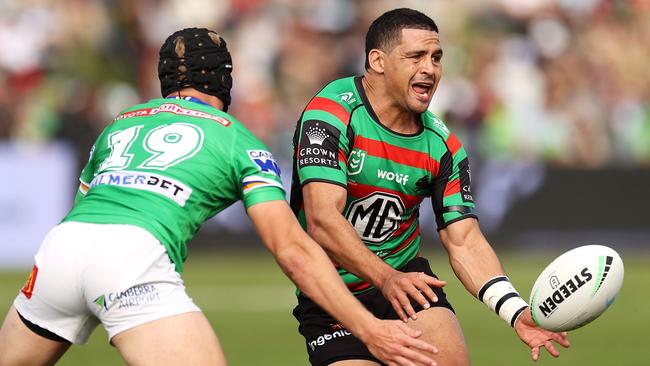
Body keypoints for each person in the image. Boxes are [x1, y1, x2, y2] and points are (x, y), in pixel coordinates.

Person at [0, 27, 440, 366]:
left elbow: (85, 204)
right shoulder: (237, 140)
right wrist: (368, 327)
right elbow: (293, 249)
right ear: (224, 79)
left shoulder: (122, 122)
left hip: (61, 248)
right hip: (131, 258)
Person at [289, 8, 571, 366]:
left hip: (406, 280)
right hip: (332, 293)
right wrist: (384, 277)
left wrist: (515, 311)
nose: (430, 68)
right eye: (415, 56)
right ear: (377, 61)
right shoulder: (331, 114)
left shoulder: (443, 146)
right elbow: (322, 220)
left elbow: (464, 240)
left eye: (436, 57)